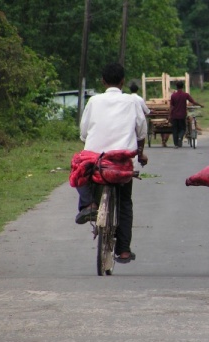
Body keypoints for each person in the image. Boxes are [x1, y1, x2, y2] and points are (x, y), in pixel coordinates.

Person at [76, 63, 148, 264]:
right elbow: (141, 132)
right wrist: (140, 153)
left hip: (97, 161)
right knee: (125, 202)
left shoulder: (93, 101)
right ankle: (123, 250)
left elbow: (83, 133)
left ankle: (89, 203)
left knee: (79, 170)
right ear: (123, 81)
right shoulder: (132, 101)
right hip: (122, 163)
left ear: (103, 81)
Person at [169, 81, 203, 148]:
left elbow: (171, 107)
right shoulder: (185, 95)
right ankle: (180, 138)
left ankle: (176, 144)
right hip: (182, 115)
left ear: (176, 87)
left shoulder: (173, 95)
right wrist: (200, 105)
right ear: (183, 87)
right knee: (183, 129)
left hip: (174, 116)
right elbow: (193, 102)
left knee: (175, 130)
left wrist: (170, 115)